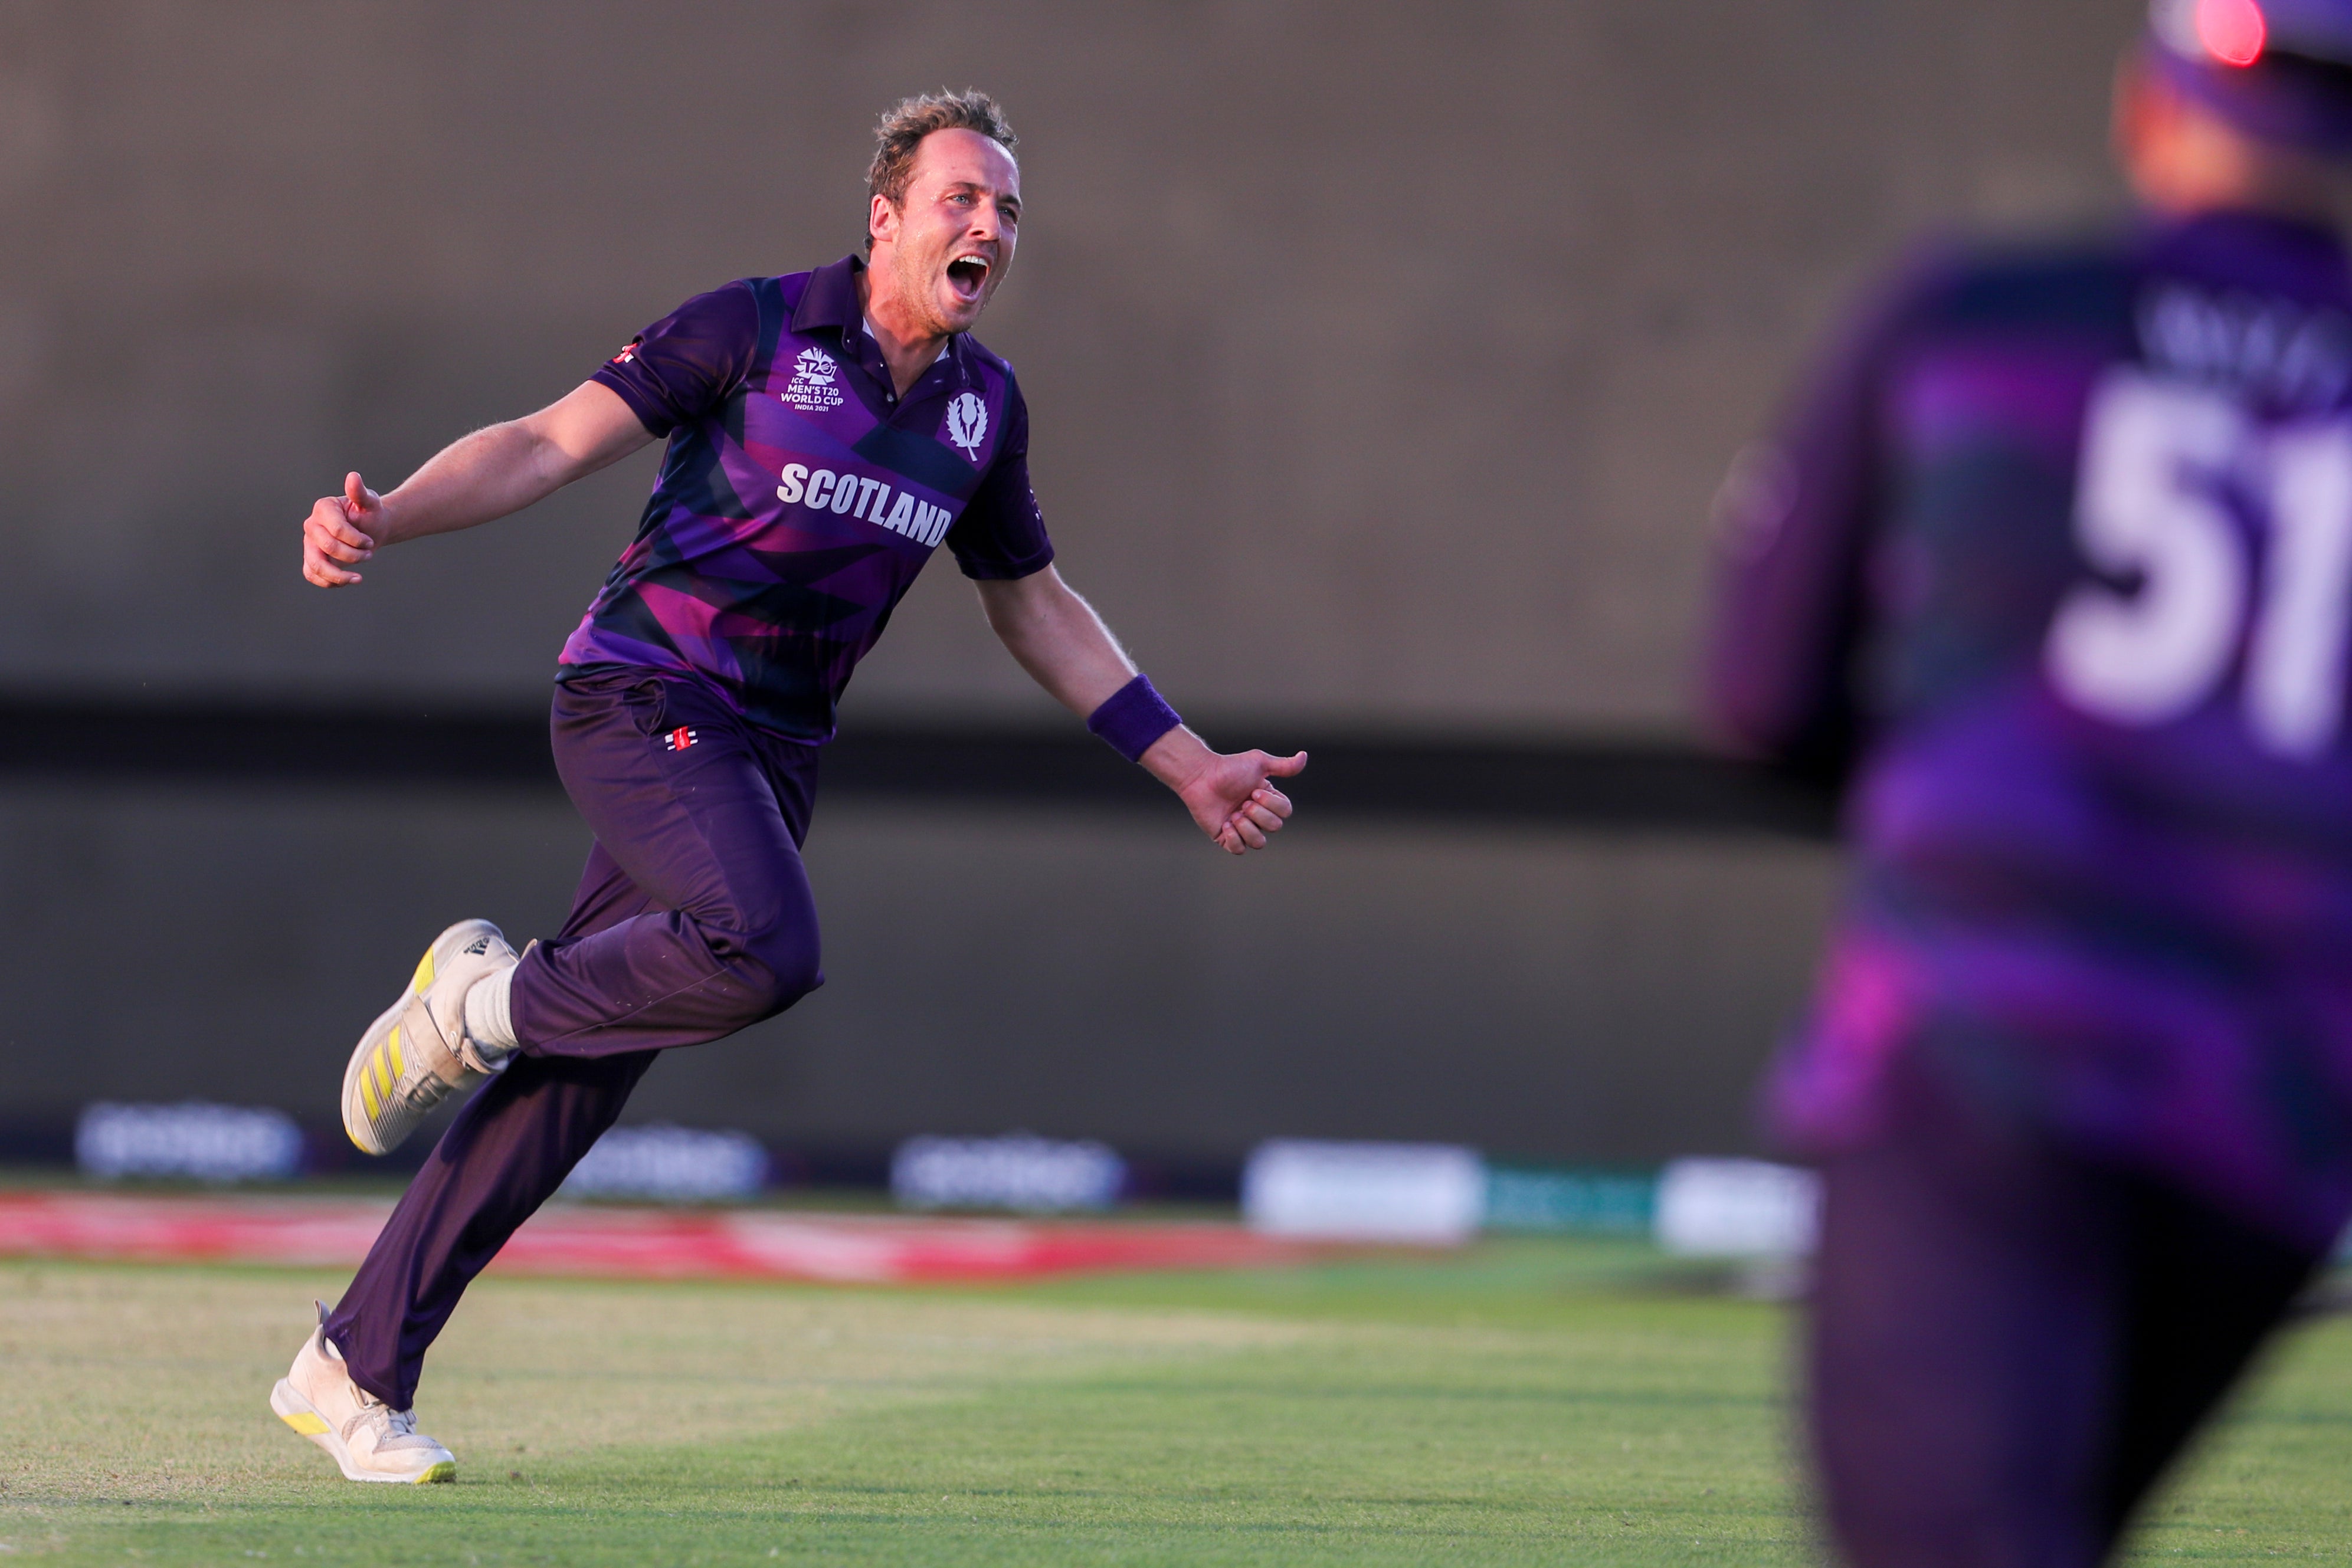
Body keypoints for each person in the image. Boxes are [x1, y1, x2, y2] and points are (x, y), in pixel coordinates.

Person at [268, 90, 1306, 1485]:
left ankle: (349, 1369)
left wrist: (1186, 762)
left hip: (767, 756)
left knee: (574, 1082)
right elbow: (540, 443)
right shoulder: (751, 327)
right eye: (961, 199)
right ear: (884, 219)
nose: (989, 227)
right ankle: (475, 1001)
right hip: (640, 695)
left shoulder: (981, 409)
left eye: (1007, 211)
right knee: (767, 947)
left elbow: (1035, 607)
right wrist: (382, 512)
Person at [1707, 3, 2352, 1560]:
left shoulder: (1977, 316)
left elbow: (1758, 696)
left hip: (1978, 1069)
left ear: (2150, 106)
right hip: (2265, 1117)